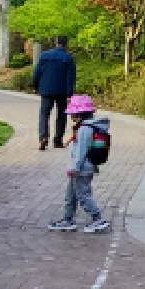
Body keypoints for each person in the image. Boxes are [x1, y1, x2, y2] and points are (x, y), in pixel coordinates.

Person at [48, 94, 109, 233]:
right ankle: (68, 219)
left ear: (80, 114)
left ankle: (98, 218)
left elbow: (81, 151)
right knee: (70, 195)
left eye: (73, 114)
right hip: (81, 168)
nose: (71, 116)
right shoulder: (86, 127)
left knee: (83, 195)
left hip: (81, 169)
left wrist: (74, 167)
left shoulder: (84, 129)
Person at [32, 36, 76, 150]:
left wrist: (35, 86)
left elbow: (37, 72)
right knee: (61, 116)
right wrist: (69, 94)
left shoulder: (44, 55)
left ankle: (43, 137)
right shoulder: (68, 57)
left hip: (46, 90)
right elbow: (70, 78)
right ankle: (58, 141)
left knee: (44, 114)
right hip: (62, 92)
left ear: (55, 43)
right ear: (66, 44)